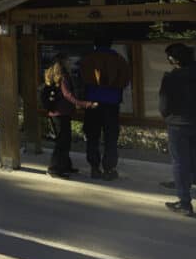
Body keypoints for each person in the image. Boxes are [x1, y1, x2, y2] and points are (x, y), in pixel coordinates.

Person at [160, 43, 196, 217]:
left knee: (180, 163)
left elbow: (164, 105)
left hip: (177, 125)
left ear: (175, 59)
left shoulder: (170, 78)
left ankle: (185, 203)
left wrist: (169, 117)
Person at [80, 34, 132, 180]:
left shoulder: (88, 59)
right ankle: (109, 169)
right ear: (110, 44)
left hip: (92, 103)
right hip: (112, 103)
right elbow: (125, 80)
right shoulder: (119, 60)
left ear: (95, 44)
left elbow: (82, 79)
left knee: (92, 136)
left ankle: (94, 167)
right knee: (110, 137)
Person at [44, 53, 97, 178]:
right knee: (62, 142)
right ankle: (55, 168)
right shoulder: (63, 78)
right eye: (67, 60)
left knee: (64, 140)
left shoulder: (53, 76)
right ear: (63, 63)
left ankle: (65, 165)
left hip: (57, 112)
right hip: (61, 113)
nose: (70, 62)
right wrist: (86, 104)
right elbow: (68, 95)